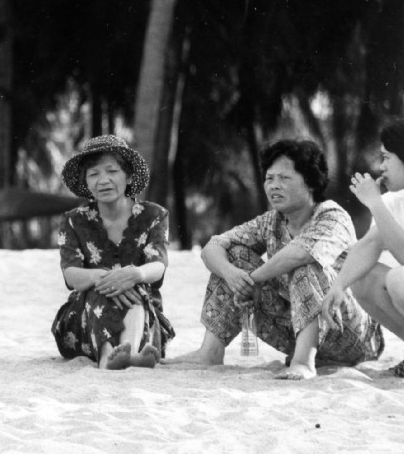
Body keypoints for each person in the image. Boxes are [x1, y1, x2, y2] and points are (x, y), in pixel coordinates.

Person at [165, 139, 383, 380]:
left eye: (284, 178)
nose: (274, 186)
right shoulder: (272, 221)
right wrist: (232, 274)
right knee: (234, 257)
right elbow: (212, 247)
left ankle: (303, 362)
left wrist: (252, 280)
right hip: (295, 329)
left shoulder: (331, 215)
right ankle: (210, 352)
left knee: (305, 265)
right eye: (270, 178)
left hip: (350, 334)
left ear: (310, 181)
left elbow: (300, 253)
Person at [51, 135, 174, 370]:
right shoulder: (73, 220)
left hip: (144, 319)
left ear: (128, 176)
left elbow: (158, 265)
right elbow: (71, 275)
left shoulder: (154, 215)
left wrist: (133, 275)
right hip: (84, 322)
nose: (103, 180)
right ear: (86, 182)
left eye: (112, 171)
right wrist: (106, 279)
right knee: (98, 288)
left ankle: (131, 350)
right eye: (94, 174)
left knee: (135, 283)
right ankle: (109, 356)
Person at [322, 118, 404, 377]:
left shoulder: (384, 203)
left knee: (397, 279)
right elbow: (368, 245)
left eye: (387, 157)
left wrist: (375, 204)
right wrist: (338, 286)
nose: (381, 167)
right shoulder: (394, 200)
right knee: (363, 279)